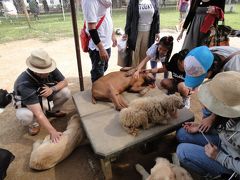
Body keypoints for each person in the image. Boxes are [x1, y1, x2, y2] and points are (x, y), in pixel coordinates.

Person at [176, 71, 240, 179]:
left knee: (182, 151)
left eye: (215, 101)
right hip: (225, 144)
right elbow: (226, 131)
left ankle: (214, 175)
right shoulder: (231, 112)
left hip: (232, 164)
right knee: (182, 134)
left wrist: (219, 156)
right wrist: (199, 127)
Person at [13, 49, 71, 143]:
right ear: (36, 71)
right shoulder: (24, 83)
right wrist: (53, 131)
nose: (49, 72)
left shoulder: (49, 68)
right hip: (29, 106)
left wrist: (52, 89)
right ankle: (34, 124)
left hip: (43, 100)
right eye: (45, 71)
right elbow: (38, 113)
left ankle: (51, 112)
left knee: (66, 92)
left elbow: (64, 82)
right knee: (25, 115)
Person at [184, 45, 240, 132]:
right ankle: (204, 126)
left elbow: (232, 101)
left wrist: (212, 118)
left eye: (203, 76)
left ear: (213, 68)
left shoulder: (234, 71)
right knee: (208, 104)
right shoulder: (205, 55)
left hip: (236, 98)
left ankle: (216, 130)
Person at [81, 0, 117, 82]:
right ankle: (96, 91)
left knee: (103, 68)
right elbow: (92, 28)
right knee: (98, 73)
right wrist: (101, 49)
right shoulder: (89, 2)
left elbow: (108, 16)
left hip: (106, 43)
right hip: (98, 47)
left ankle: (99, 88)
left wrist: (113, 34)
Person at [123, 0, 160, 68]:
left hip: (148, 32)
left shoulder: (154, 1)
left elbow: (157, 16)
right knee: (135, 54)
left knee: (144, 54)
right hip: (136, 32)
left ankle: (141, 72)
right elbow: (129, 17)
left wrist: (157, 31)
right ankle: (133, 72)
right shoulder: (133, 1)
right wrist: (126, 32)